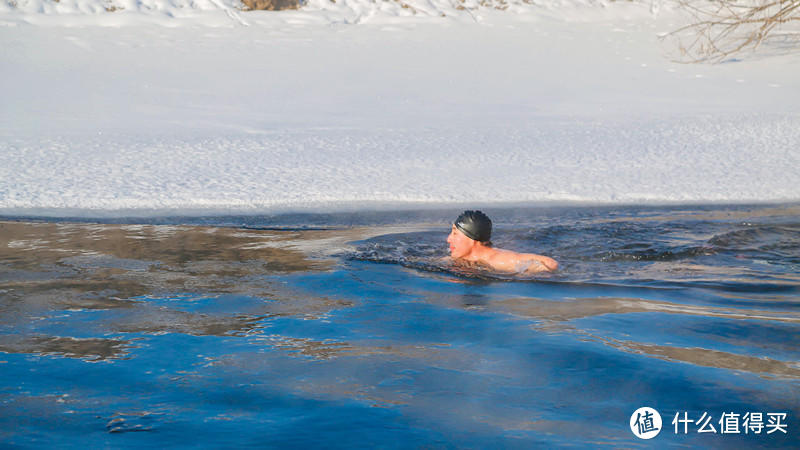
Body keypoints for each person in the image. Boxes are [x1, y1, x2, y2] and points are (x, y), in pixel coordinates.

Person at [446, 210, 558, 274]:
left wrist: (525, 275)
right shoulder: (461, 257)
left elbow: (550, 263)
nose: (448, 239)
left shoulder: (498, 260)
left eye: (455, 233)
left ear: (472, 238)